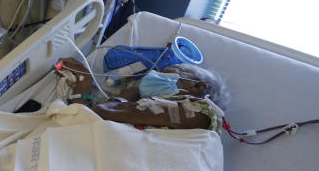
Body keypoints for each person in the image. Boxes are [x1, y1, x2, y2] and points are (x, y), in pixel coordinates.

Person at [54, 57, 228, 131]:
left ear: (197, 86)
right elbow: (88, 118)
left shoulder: (199, 113)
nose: (153, 76)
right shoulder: (147, 110)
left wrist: (85, 78)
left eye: (165, 73)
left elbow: (99, 113)